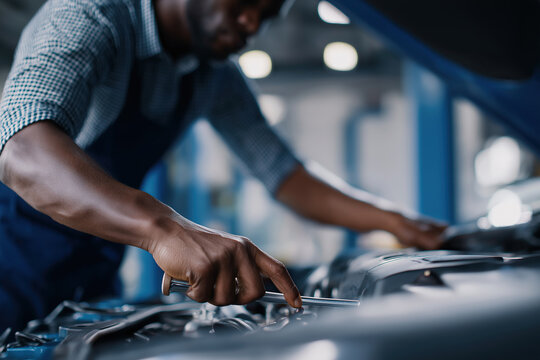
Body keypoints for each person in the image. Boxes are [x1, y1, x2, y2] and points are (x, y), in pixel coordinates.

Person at [0, 0, 445, 331]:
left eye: (266, 15)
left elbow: (284, 174)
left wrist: (398, 223)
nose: (253, 23)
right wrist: (165, 229)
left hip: (90, 276)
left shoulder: (212, 76)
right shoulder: (91, 15)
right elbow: (20, 146)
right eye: (247, 2)